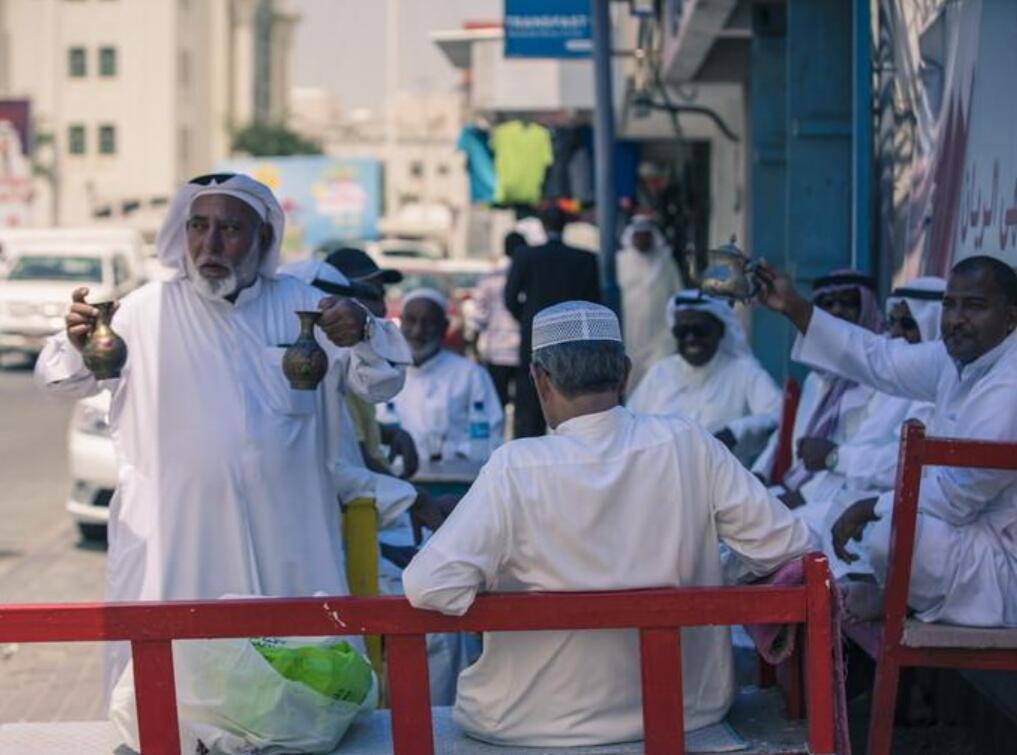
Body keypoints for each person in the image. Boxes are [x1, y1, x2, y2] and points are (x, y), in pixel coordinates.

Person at [34, 173, 412, 694]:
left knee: (297, 702)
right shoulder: (142, 312)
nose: (210, 244)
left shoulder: (305, 308)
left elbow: (383, 381)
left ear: (263, 239)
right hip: (177, 547)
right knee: (175, 701)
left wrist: (365, 331)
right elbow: (60, 382)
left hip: (290, 545)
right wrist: (78, 345)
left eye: (230, 229)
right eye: (198, 226)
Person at [403, 301, 812, 747]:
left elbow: (429, 586)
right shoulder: (688, 442)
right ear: (624, 374)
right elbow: (786, 544)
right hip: (683, 709)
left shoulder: (514, 468)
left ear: (540, 380)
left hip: (528, 719)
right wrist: (715, 568)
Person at [757, 256, 1017, 627]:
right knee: (857, 518)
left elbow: (958, 497)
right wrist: (794, 307)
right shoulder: (959, 360)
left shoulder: (1009, 384)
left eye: (974, 307)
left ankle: (899, 599)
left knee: (893, 535)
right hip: (966, 536)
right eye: (950, 306)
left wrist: (873, 507)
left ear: (1011, 317)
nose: (957, 318)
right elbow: (880, 359)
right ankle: (891, 599)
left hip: (1003, 563)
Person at [752, 270, 908, 511]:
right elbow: (788, 437)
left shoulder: (886, 378)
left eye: (848, 303)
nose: (836, 311)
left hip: (850, 502)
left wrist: (801, 497)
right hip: (804, 493)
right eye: (827, 304)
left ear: (866, 308)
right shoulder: (816, 378)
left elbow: (856, 456)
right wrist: (759, 474)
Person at [627, 290, 780, 465]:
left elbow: (778, 415)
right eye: (682, 331)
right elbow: (630, 423)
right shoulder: (660, 372)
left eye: (700, 330)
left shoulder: (744, 371)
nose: (691, 338)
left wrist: (736, 431)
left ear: (720, 331)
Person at [321, 246, 419, 478]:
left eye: (382, 295)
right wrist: (412, 499)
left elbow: (357, 431)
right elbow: (356, 458)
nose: (382, 308)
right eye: (371, 295)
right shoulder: (334, 360)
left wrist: (389, 434)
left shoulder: (362, 356)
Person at [504, 205, 601, 437]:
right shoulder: (585, 258)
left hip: (535, 338)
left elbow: (510, 298)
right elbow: (593, 301)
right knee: (576, 400)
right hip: (575, 340)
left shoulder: (526, 256)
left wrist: (530, 321)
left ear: (542, 225)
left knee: (530, 406)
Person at [390, 288, 504, 461]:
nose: (417, 331)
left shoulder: (470, 375)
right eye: (411, 320)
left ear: (444, 328)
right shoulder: (382, 374)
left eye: (428, 322)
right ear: (400, 323)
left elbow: (491, 435)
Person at [616, 215, 683, 389]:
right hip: (629, 338)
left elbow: (678, 296)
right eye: (638, 235)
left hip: (660, 339)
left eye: (646, 235)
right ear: (630, 237)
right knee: (630, 385)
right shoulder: (620, 261)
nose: (642, 239)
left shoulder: (666, 262)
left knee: (659, 387)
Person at [469, 231, 525, 408]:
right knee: (524, 408)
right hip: (524, 351)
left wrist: (474, 347)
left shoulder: (490, 277)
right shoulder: (530, 276)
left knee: (495, 405)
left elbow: (479, 315)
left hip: (496, 349)